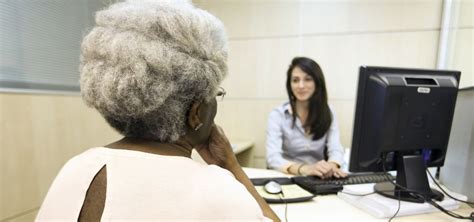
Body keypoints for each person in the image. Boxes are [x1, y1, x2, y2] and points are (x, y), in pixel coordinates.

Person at [36, 1, 279, 221]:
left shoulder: (76, 169)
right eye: (215, 94)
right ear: (195, 113)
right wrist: (232, 167)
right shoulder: (219, 191)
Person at [266, 57, 347, 179]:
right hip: (290, 176)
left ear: (317, 82)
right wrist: (305, 169)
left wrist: (331, 165)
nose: (301, 85)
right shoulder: (277, 115)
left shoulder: (328, 111)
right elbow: (272, 157)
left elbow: (335, 148)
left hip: (320, 177)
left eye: (308, 79)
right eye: (295, 80)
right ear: (290, 85)